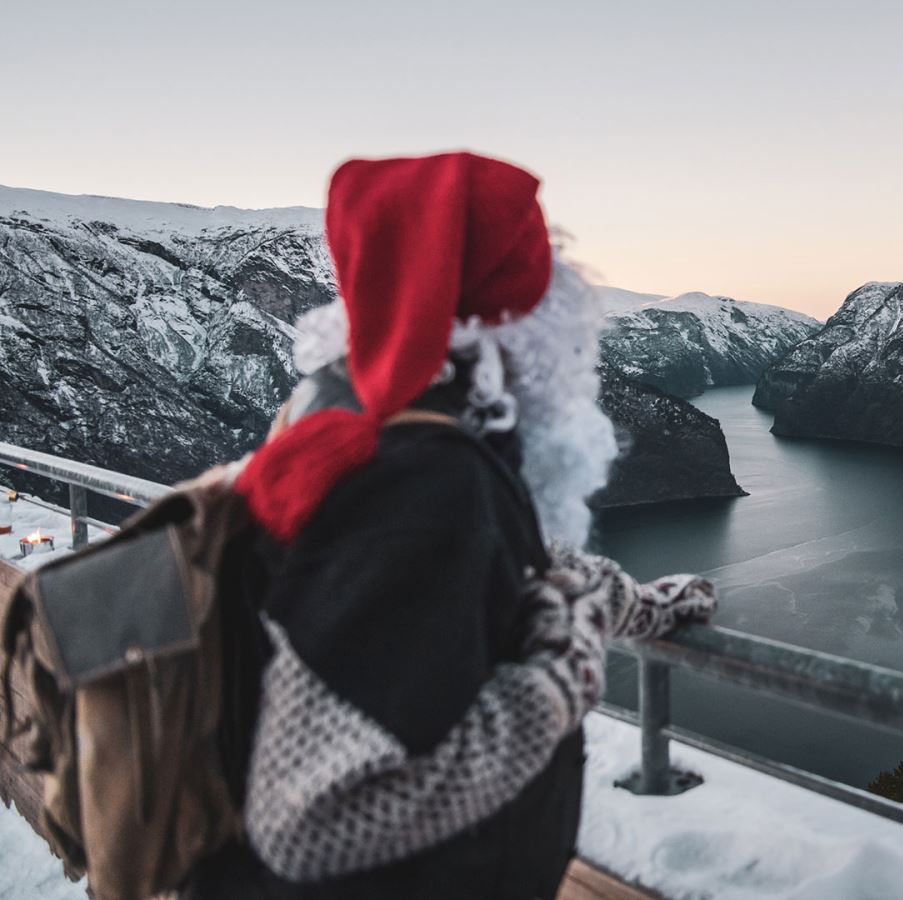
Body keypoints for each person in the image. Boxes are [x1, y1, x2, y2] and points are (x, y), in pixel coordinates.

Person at [183, 152, 715, 900]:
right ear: (511, 320)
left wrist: (626, 603)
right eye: (548, 291)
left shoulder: (349, 422)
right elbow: (314, 819)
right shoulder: (427, 479)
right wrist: (564, 673)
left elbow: (470, 583)